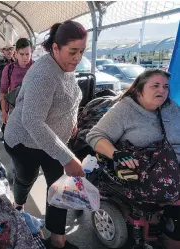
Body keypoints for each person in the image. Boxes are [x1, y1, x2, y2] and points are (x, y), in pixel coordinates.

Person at [4, 21, 87, 249]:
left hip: (50, 140)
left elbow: (69, 98)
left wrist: (73, 120)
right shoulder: (44, 74)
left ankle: (57, 239)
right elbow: (31, 121)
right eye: (73, 52)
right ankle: (18, 205)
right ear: (55, 49)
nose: (78, 57)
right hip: (24, 141)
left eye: (82, 51)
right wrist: (67, 157)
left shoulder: (65, 67)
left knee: (58, 186)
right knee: (26, 177)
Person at [86, 69, 180, 248]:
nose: (162, 90)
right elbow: (94, 136)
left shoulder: (171, 107)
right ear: (139, 90)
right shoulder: (124, 110)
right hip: (147, 172)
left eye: (166, 86)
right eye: (155, 86)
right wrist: (116, 153)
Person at [0, 38, 34, 125]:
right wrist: (4, 111)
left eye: (27, 54)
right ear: (16, 54)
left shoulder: (37, 68)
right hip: (15, 110)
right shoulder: (8, 69)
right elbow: (3, 90)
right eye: (22, 54)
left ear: (31, 53)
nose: (25, 57)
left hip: (34, 111)